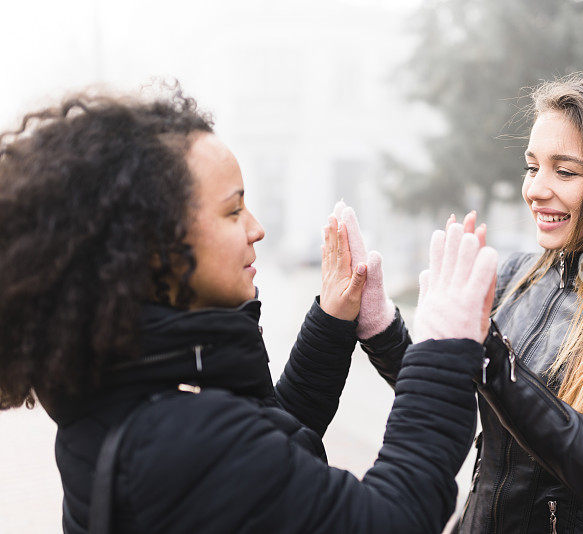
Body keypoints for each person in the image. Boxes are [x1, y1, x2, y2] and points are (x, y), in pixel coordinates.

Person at [0, 89, 500, 533]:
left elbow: (268, 456)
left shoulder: (121, 388)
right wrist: (442, 347)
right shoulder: (178, 441)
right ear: (151, 245)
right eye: (233, 209)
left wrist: (333, 318)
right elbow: (393, 518)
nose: (256, 228)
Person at [338, 75, 583, 533]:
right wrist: (377, 322)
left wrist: (494, 356)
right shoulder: (515, 276)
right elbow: (445, 391)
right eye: (531, 166)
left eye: (565, 171)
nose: (534, 190)